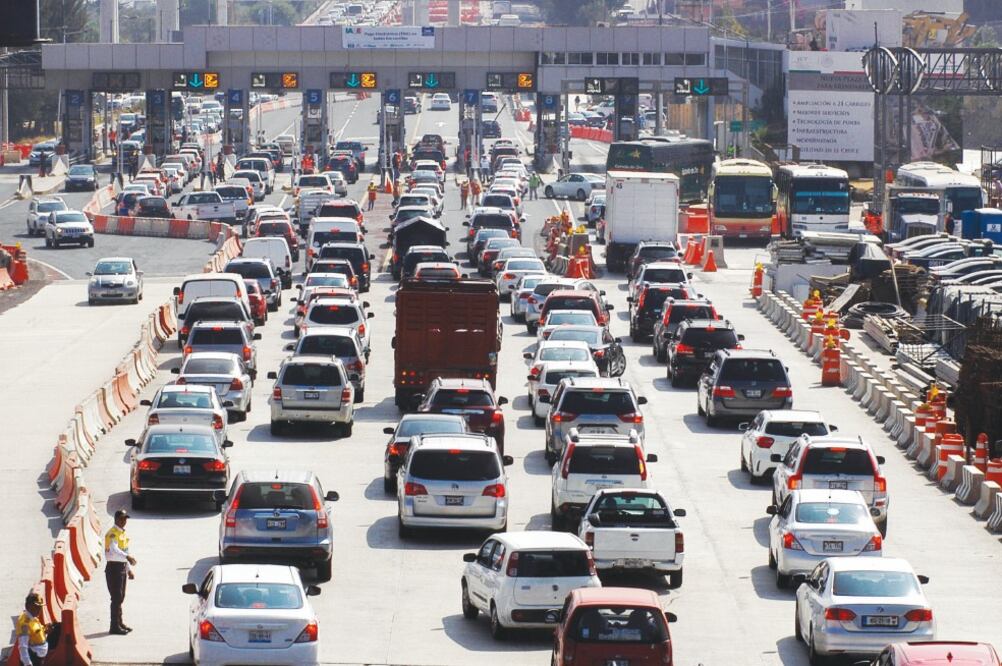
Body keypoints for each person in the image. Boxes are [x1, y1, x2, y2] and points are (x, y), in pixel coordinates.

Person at [105, 509, 136, 635]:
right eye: (122, 519)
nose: (124, 521)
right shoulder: (112, 533)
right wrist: (128, 557)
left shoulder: (122, 534)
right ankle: (114, 626)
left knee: (121, 597)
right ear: (116, 519)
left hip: (122, 567)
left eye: (125, 519)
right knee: (116, 598)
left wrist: (129, 570)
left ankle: (119, 623)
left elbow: (124, 552)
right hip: (114, 569)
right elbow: (114, 549)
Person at [16, 592, 60, 666]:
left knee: (58, 627)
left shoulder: (33, 618)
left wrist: (46, 631)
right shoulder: (25, 624)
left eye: (40, 607)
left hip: (39, 658)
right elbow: (23, 647)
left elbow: (35, 634)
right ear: (27, 606)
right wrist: (28, 663)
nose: (39, 609)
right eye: (36, 607)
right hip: (33, 659)